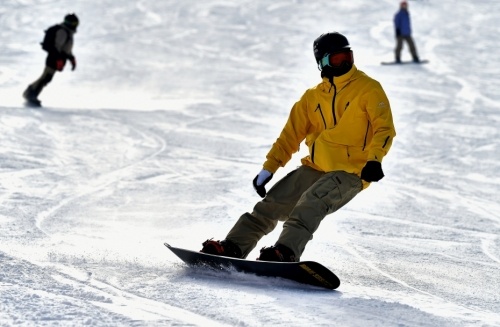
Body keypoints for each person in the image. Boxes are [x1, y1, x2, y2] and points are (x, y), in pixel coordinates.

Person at [200, 32, 396, 262]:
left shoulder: (368, 88)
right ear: (322, 62)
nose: (344, 63)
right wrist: (269, 168)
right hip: (315, 167)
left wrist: (374, 160)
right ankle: (233, 246)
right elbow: (290, 135)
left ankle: (285, 251)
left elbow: (384, 128)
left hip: (352, 172)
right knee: (271, 205)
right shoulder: (311, 98)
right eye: (336, 59)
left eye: (348, 57)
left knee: (311, 203)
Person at [23, 13, 79, 106]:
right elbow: (56, 47)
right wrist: (58, 59)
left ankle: (30, 94)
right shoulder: (63, 32)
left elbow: (66, 49)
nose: (74, 25)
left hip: (58, 58)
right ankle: (30, 95)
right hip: (54, 58)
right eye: (72, 23)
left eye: (75, 23)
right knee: (46, 77)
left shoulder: (68, 32)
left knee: (46, 77)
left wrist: (72, 59)